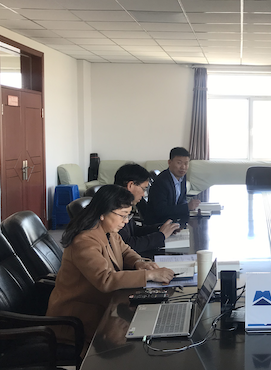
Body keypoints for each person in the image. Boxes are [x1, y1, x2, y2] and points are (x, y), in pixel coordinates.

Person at [47, 185, 175, 354]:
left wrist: (139, 263)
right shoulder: (84, 241)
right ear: (102, 213)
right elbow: (105, 279)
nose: (126, 221)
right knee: (139, 335)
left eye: (128, 215)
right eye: (123, 215)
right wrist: (148, 275)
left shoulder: (108, 231)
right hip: (76, 317)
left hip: (101, 306)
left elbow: (125, 250)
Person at [114, 163, 180, 255]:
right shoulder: (114, 209)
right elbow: (128, 245)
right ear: (131, 185)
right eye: (143, 189)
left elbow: (135, 230)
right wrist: (160, 236)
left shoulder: (122, 204)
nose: (143, 194)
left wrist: (160, 228)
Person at [146, 147, 201, 224]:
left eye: (186, 163)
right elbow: (160, 210)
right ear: (169, 162)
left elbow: (181, 199)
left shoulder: (182, 176)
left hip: (174, 219)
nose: (183, 167)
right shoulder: (161, 182)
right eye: (179, 163)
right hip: (160, 223)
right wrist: (186, 207)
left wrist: (189, 207)